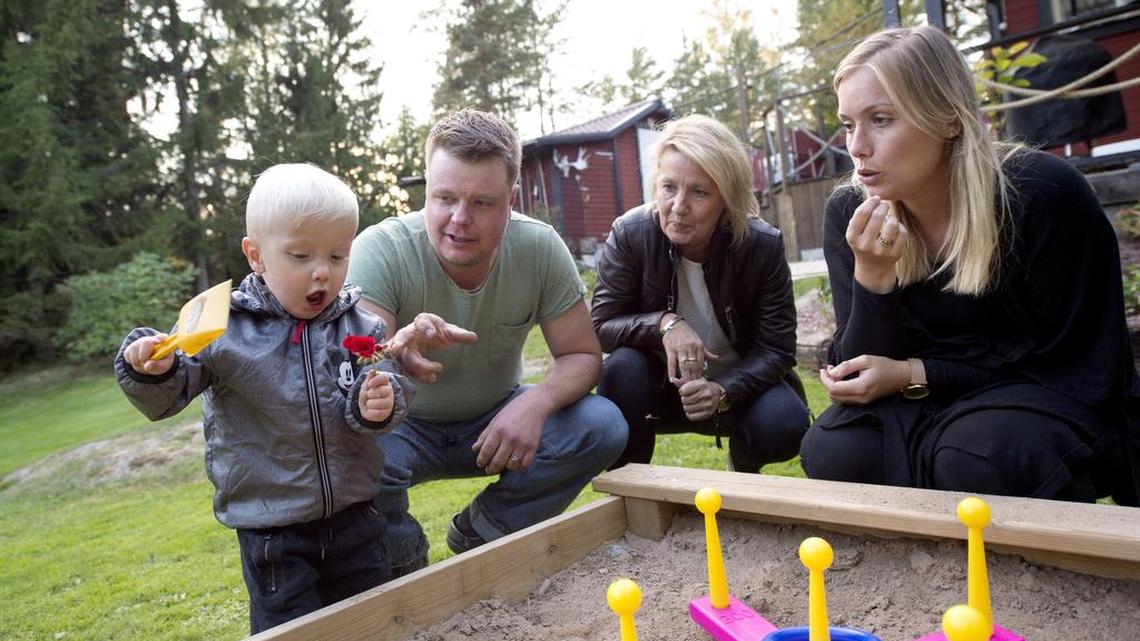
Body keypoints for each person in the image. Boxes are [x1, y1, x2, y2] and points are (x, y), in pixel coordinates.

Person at [800, 25, 1139, 505]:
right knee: (832, 449)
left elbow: (1073, 366)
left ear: (948, 120)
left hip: (1046, 392)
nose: (856, 146)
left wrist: (915, 373)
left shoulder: (1042, 194)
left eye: (880, 119)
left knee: (973, 457)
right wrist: (873, 280)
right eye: (848, 124)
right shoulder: (852, 213)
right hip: (930, 401)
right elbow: (857, 369)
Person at [115, 163, 414, 633]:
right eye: (300, 256)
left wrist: (378, 403)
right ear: (256, 256)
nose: (322, 272)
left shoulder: (361, 325)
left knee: (367, 623)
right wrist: (151, 369)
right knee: (290, 629)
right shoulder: (222, 328)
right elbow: (169, 395)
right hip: (274, 531)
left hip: (357, 515)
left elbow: (382, 387)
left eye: (338, 256)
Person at [346, 108, 628, 576]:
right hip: (402, 426)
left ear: (511, 199)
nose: (460, 219)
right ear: (426, 192)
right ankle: (402, 561)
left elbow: (582, 355)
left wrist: (535, 403)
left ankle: (486, 530)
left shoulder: (540, 248)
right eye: (444, 198)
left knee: (603, 425)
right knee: (350, 448)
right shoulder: (380, 249)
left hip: (495, 422)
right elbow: (356, 369)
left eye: (482, 203)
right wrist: (397, 347)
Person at [591, 114, 810, 472]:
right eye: (669, 187)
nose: (678, 207)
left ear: (727, 198)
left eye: (699, 192)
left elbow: (777, 349)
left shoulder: (761, 245)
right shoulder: (631, 233)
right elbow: (601, 325)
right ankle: (632, 494)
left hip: (739, 389)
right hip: (660, 388)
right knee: (622, 369)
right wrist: (665, 324)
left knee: (784, 422)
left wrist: (722, 390)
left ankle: (741, 472)